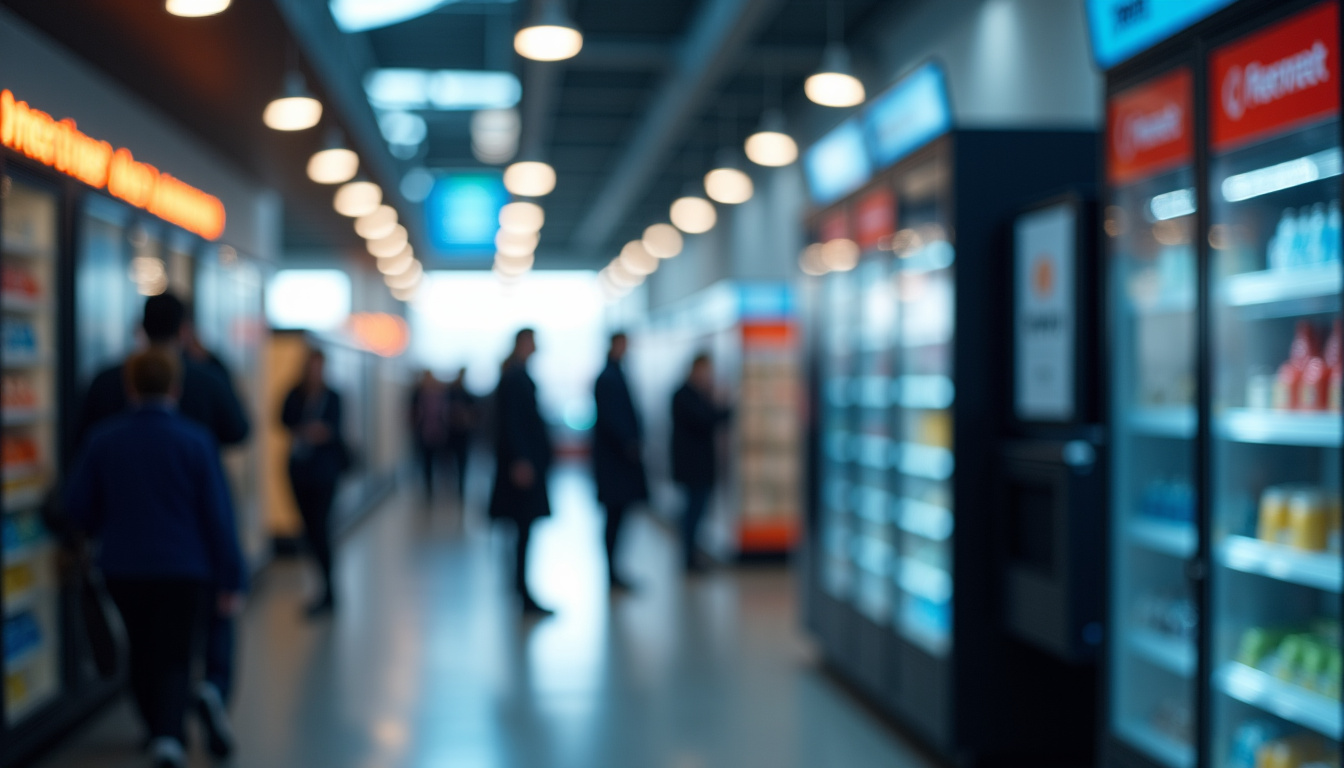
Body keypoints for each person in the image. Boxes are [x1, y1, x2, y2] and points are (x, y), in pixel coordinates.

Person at [75, 292, 249, 757]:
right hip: (187, 551)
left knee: (145, 647)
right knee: (192, 638)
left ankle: (159, 726)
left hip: (123, 552)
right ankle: (202, 696)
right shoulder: (205, 389)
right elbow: (239, 433)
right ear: (185, 328)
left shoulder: (106, 393)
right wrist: (233, 571)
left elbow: (79, 487)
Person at [488, 329, 555, 616]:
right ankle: (522, 591)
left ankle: (521, 587)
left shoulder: (516, 375)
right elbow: (512, 423)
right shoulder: (515, 377)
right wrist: (521, 460)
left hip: (523, 462)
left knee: (522, 528)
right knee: (522, 527)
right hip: (521, 466)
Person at [281, 348, 348, 617]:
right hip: (300, 470)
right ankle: (324, 587)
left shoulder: (332, 396)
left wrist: (319, 432)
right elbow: (282, 418)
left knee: (320, 529)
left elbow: (335, 429)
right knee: (309, 529)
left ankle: (329, 589)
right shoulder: (295, 394)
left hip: (324, 472)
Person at [591, 332, 647, 591]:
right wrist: (629, 443)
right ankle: (611, 571)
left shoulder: (614, 375)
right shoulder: (608, 378)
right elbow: (613, 420)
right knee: (614, 515)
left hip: (618, 461)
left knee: (618, 516)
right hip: (614, 463)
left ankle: (613, 569)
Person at [671, 353, 731, 573]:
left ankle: (692, 554)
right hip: (692, 467)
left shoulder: (697, 394)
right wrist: (724, 407)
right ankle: (689, 557)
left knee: (696, 512)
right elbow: (705, 421)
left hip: (699, 466)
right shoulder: (684, 395)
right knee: (692, 512)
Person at [408, 370, 450, 502]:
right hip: (423, 432)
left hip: (438, 432)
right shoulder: (418, 393)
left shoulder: (440, 393)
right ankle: (428, 488)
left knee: (439, 461)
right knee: (426, 461)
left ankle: (441, 486)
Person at [445, 367, 479, 504]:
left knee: (462, 462)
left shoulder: (467, 394)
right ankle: (450, 488)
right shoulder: (450, 393)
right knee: (449, 462)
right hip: (451, 433)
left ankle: (460, 488)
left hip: (463, 434)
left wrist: (466, 417)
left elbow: (475, 413)